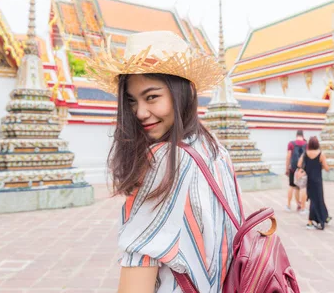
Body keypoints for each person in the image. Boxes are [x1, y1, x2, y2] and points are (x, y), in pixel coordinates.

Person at [86, 31, 243, 293]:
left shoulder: (164, 160)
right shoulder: (216, 151)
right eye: (132, 101)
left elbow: (138, 275)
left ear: (180, 94)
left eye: (152, 97)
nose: (140, 113)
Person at [297, 136, 330, 230]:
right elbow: (327, 168)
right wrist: (321, 166)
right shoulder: (320, 154)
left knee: (312, 200)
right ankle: (315, 220)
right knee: (318, 200)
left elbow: (299, 164)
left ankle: (313, 220)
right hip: (318, 180)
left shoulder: (305, 153)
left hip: (309, 180)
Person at [285, 130, 307, 213]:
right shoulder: (306, 144)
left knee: (292, 186)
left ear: (296, 135)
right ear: (303, 135)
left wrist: (287, 168)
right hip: (302, 170)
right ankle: (300, 205)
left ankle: (288, 205)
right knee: (301, 188)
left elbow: (288, 156)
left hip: (293, 168)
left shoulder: (291, 144)